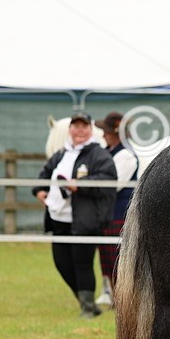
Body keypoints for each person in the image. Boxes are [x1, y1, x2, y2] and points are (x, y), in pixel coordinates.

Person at [33, 111, 118, 318]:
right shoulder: (61, 153)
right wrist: (40, 190)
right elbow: (45, 174)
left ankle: (88, 308)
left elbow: (107, 181)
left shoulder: (99, 155)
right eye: (75, 126)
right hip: (58, 218)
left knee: (82, 264)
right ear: (70, 129)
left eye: (83, 126)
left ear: (90, 129)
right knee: (62, 263)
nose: (79, 130)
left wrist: (80, 186)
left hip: (84, 220)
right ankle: (86, 302)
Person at [93, 112, 138, 309]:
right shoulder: (108, 153)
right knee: (107, 259)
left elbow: (112, 184)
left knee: (117, 260)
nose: (103, 135)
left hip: (119, 215)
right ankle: (114, 298)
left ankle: (123, 300)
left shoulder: (126, 155)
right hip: (106, 215)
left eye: (105, 131)